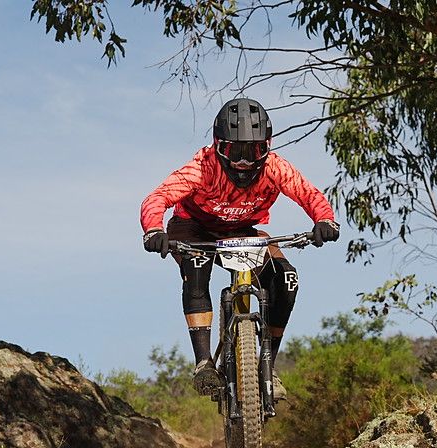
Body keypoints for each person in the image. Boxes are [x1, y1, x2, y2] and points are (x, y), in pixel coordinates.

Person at [140, 97, 339, 399]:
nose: (244, 161)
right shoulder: (202, 167)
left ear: (267, 147)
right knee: (196, 267)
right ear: (219, 146)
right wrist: (154, 229)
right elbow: (158, 198)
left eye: (254, 150)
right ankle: (204, 363)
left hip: (242, 231)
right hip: (194, 227)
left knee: (287, 278)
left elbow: (309, 194)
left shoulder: (275, 168)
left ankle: (267, 365)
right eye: (235, 151)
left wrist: (325, 219)